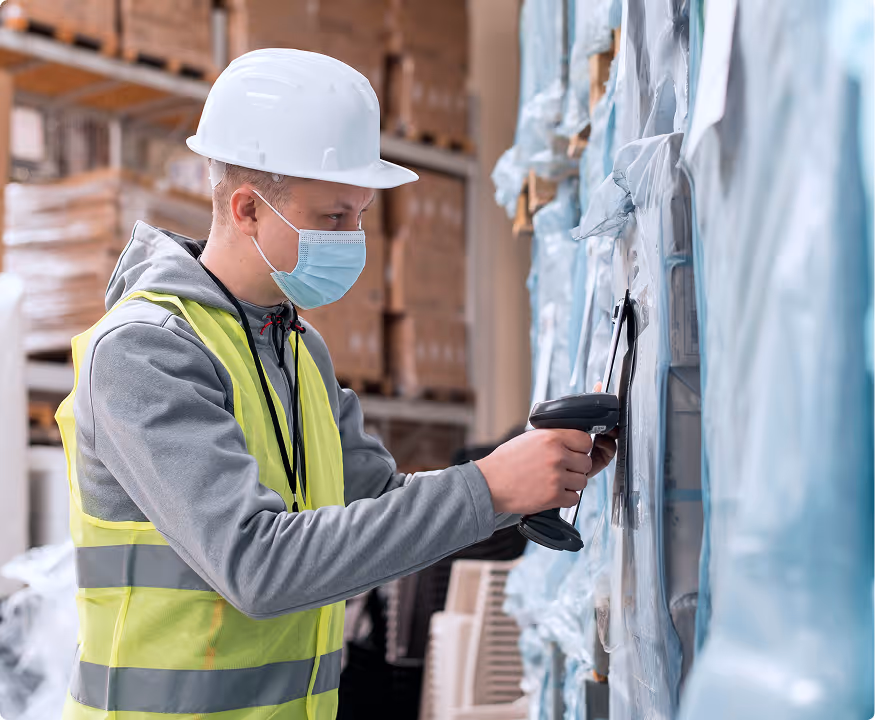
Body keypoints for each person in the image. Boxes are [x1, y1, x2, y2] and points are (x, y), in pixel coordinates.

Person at [56, 49, 617, 720]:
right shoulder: (146, 352)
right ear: (246, 210)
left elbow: (378, 506)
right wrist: (489, 484)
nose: (353, 239)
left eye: (358, 215)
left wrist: (525, 483)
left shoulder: (293, 346)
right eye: (331, 218)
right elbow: (257, 567)